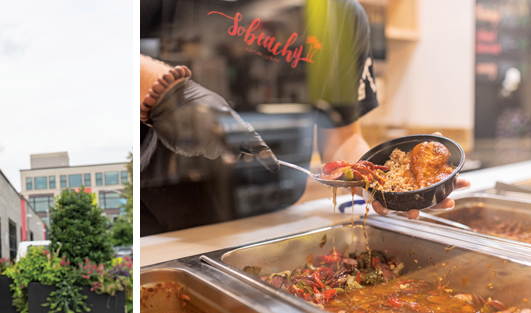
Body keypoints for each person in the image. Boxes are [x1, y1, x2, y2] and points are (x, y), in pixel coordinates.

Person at [139, 0, 468, 235]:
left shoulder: (340, 15)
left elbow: (342, 139)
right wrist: (167, 92)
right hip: (159, 226)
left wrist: (381, 182)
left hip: (277, 221)